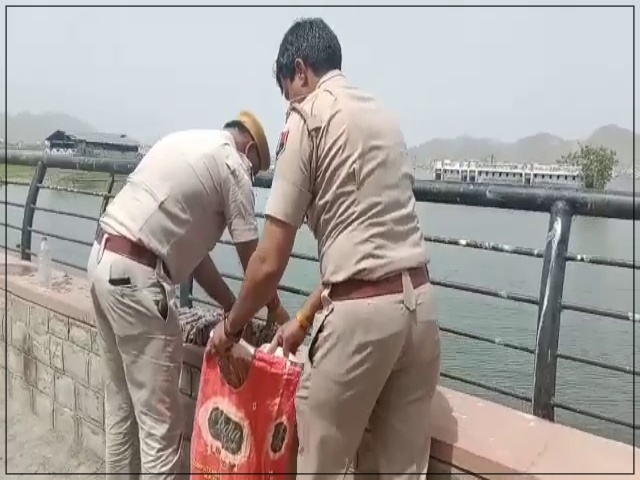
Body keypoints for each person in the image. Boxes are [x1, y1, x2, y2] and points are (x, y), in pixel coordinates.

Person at [209, 18, 441, 479]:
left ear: (300, 70)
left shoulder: (308, 116)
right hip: (420, 314)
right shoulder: (384, 116)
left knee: (319, 465)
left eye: (286, 92)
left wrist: (231, 329)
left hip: (360, 328)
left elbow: (269, 260)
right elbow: (368, 254)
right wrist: (301, 321)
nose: (288, 103)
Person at [86, 112, 289, 480]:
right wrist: (274, 309)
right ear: (251, 149)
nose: (251, 179)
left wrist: (231, 307)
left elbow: (196, 261)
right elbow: (254, 261)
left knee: (119, 411)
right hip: (139, 281)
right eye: (256, 171)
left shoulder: (186, 143)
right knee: (160, 435)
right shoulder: (233, 164)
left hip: (103, 260)